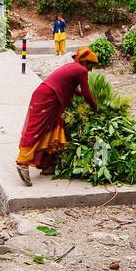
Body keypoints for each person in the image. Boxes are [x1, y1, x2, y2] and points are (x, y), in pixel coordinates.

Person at [16, 47, 100, 185]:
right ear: (85, 62)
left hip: (48, 95)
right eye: (91, 66)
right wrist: (96, 106)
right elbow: (86, 92)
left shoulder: (72, 67)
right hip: (48, 97)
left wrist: (84, 98)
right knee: (37, 129)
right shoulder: (81, 70)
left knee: (52, 128)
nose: (90, 70)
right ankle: (22, 162)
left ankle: (46, 164)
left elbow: (72, 89)